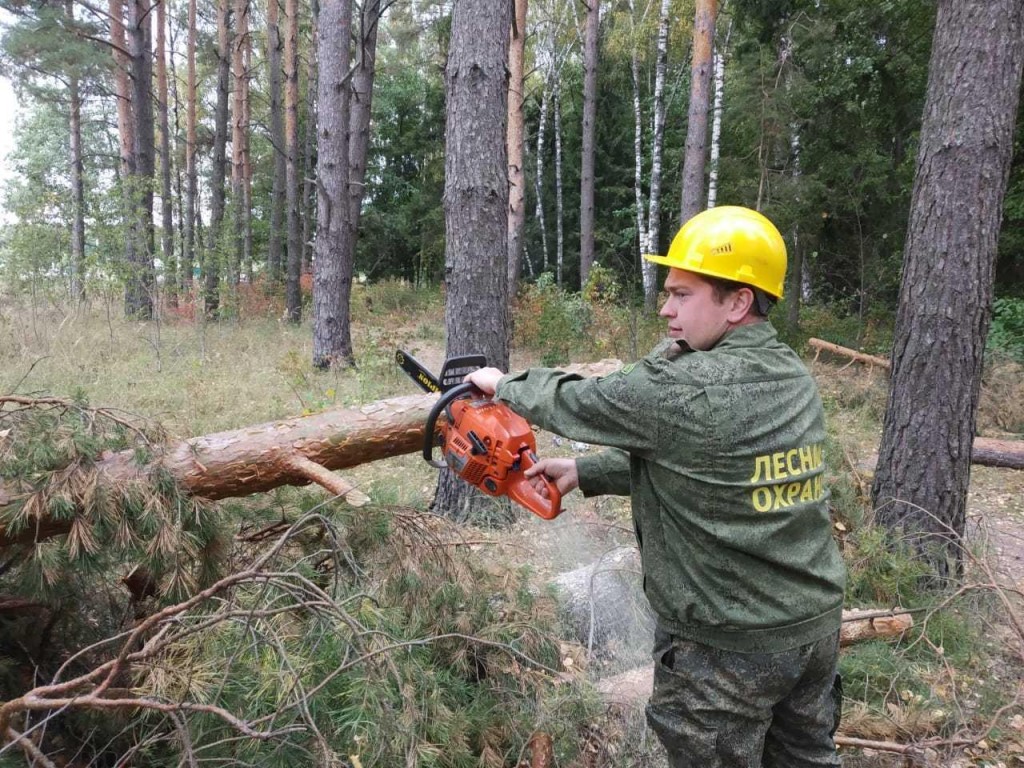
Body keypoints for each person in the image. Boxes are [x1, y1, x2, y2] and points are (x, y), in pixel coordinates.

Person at [466, 206, 847, 767]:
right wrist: (586, 472)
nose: (665, 309)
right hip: (812, 630)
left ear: (738, 301)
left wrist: (504, 384)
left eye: (682, 294)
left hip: (728, 647)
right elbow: (714, 464)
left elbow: (584, 402)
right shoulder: (789, 373)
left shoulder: (690, 385)